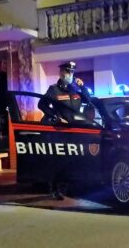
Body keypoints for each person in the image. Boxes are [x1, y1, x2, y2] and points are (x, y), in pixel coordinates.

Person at [38, 61, 91, 200]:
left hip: (74, 130)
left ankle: (69, 187)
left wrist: (83, 87)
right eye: (67, 72)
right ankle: (55, 188)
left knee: (73, 160)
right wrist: (55, 117)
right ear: (61, 73)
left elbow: (89, 100)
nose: (69, 74)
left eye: (72, 72)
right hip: (59, 130)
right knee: (59, 160)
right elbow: (41, 104)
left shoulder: (76, 90)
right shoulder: (54, 89)